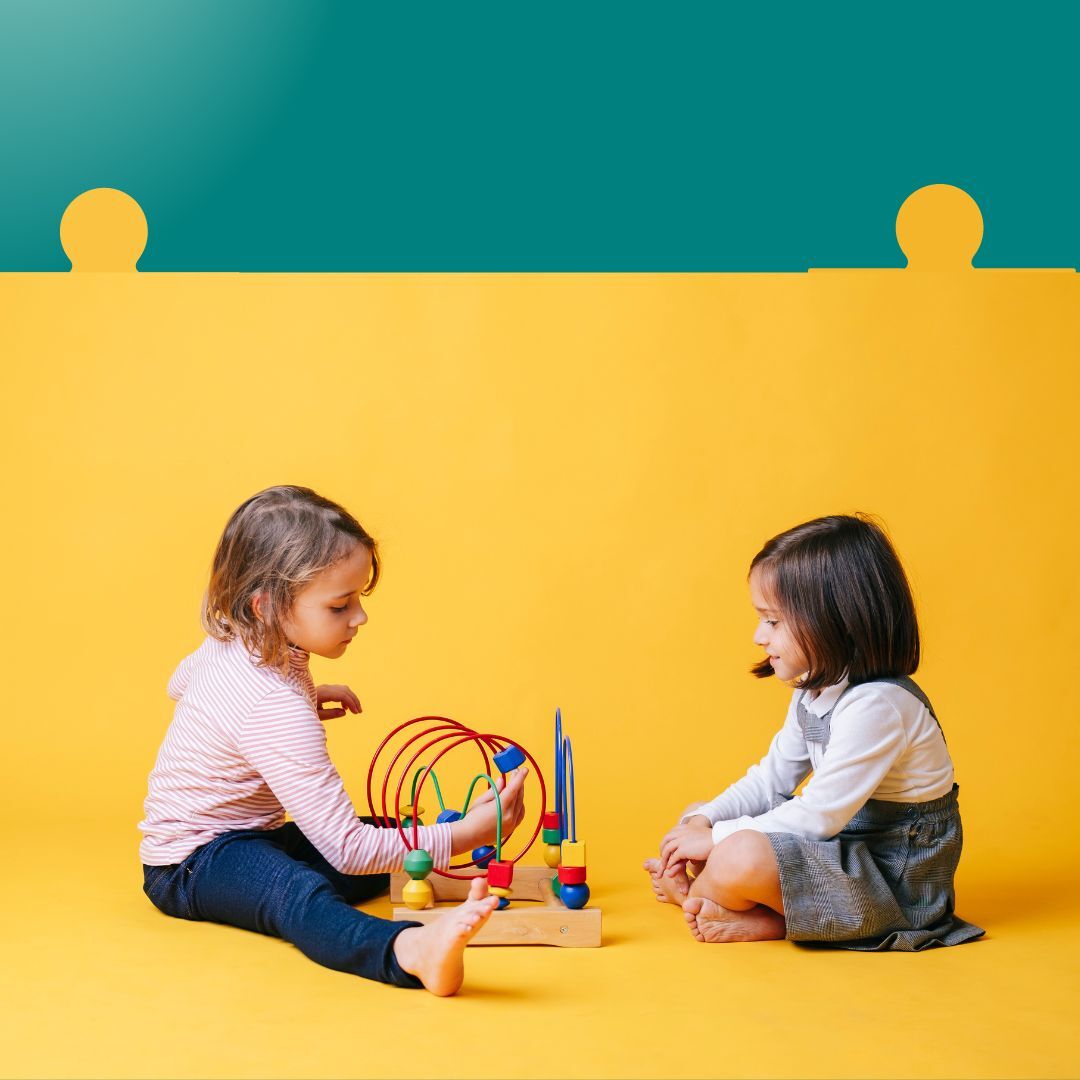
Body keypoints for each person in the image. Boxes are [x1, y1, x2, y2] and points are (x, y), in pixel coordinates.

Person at [139, 485, 527, 994]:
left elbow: (182, 683)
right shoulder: (270, 707)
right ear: (266, 607)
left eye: (358, 600)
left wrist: (303, 697)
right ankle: (410, 952)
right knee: (299, 891)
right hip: (190, 864)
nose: (359, 618)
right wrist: (467, 836)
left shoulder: (230, 641)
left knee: (396, 831)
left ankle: (436, 874)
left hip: (254, 835)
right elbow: (346, 850)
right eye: (340, 605)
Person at [644, 514, 984, 951]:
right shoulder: (816, 689)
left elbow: (817, 816)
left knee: (736, 853)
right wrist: (704, 821)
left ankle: (702, 897)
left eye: (772, 621)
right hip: (841, 851)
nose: (757, 636)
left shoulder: (878, 705)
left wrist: (712, 843)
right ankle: (742, 903)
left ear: (836, 621)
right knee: (708, 815)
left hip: (892, 883)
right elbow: (771, 780)